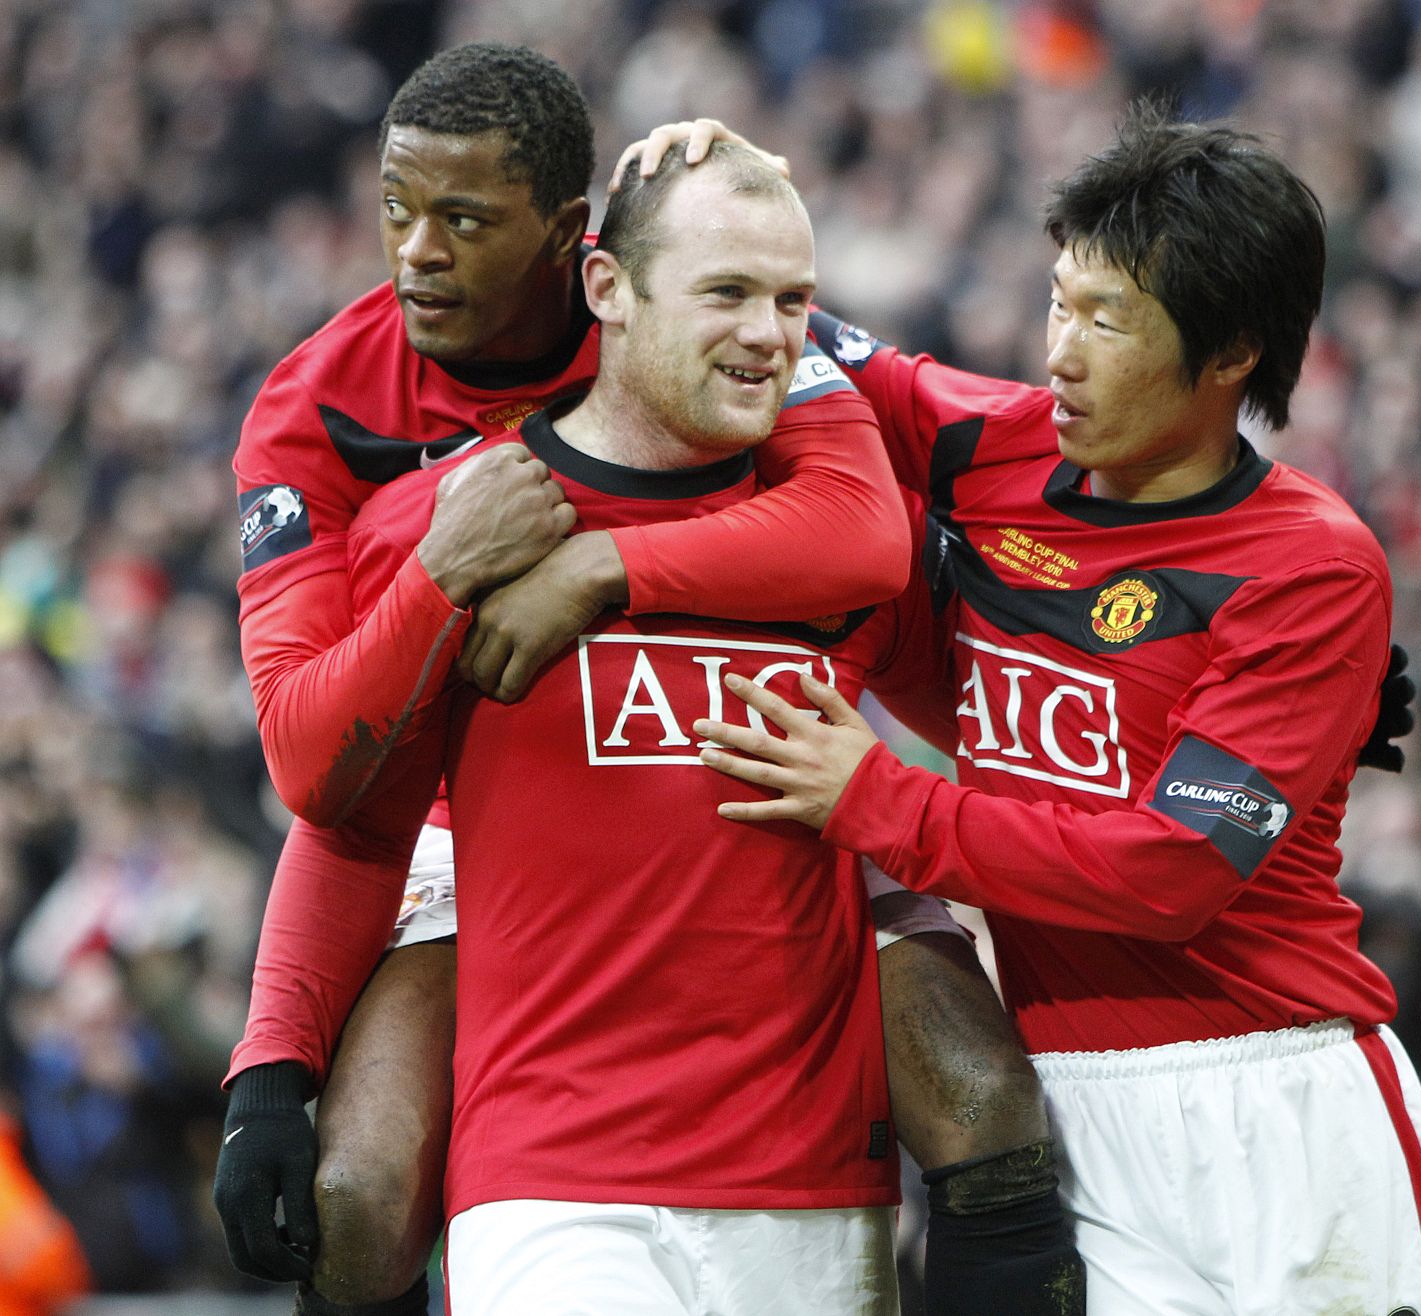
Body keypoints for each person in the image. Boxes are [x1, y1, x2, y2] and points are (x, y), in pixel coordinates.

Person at [213, 43, 1081, 1316]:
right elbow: (325, 771)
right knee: (353, 1201)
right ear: (615, 289)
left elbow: (919, 502)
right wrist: (269, 1065)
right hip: (474, 824)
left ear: (575, 244)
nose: (415, 252)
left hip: (807, 802)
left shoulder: (748, 348)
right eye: (397, 210)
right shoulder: (327, 415)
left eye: (464, 219)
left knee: (985, 1096)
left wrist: (602, 569)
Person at [694, 102, 1421, 1315]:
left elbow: (1170, 874)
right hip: (1064, 1101)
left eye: (1110, 320)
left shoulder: (1309, 565)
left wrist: (880, 799)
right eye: (1061, 300)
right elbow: (799, 336)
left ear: (1230, 355)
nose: (1060, 350)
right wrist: (705, 173)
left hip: (1278, 1106)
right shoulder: (991, 447)